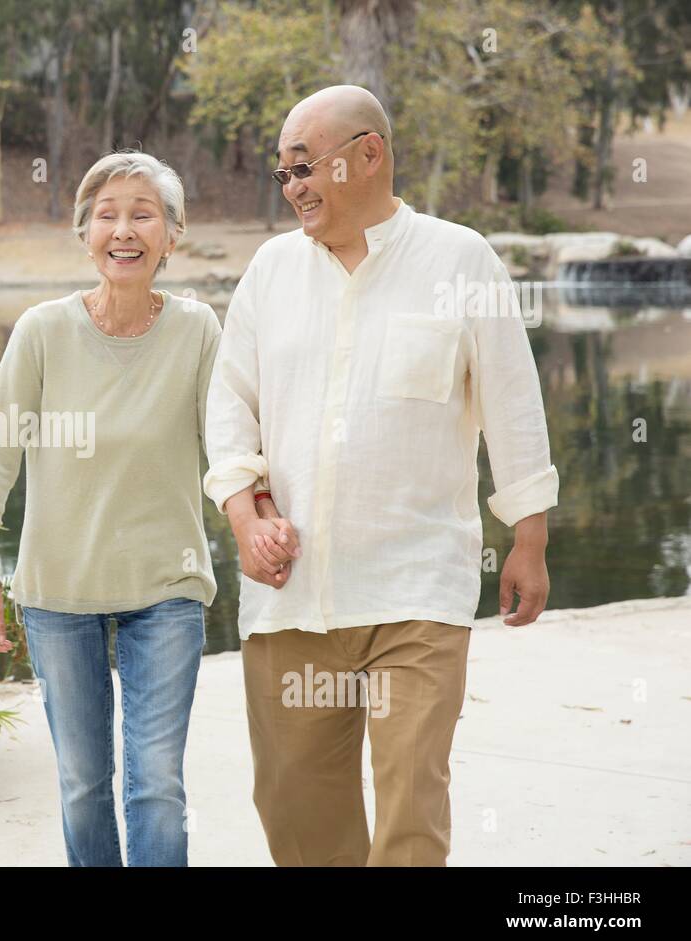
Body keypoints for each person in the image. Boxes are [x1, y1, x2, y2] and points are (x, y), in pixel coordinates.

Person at [204, 86, 559, 866]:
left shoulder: (459, 259)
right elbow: (230, 408)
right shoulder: (270, 271)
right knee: (295, 804)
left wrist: (527, 538)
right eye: (283, 173)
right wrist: (244, 515)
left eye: (306, 166)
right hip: (291, 595)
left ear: (369, 155)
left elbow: (513, 401)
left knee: (410, 801)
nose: (294, 186)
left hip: (415, 590)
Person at [0, 151, 283, 866]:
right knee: (83, 784)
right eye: (106, 215)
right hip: (58, 589)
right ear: (85, 235)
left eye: (144, 214)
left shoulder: (199, 330)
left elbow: (229, 443)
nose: (124, 230)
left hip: (166, 588)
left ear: (171, 236)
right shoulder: (42, 332)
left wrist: (259, 510)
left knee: (157, 786)